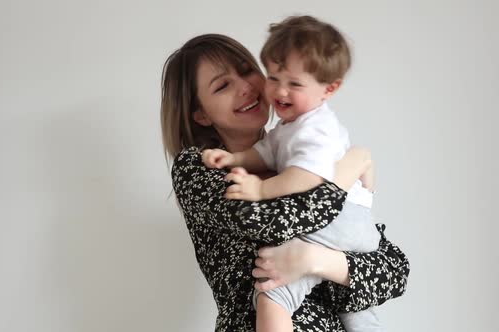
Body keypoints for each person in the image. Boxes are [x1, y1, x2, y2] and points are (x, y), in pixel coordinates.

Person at [160, 33, 409, 332]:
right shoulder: (197, 167)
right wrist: (347, 170)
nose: (246, 87)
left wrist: (315, 260)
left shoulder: (297, 154)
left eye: (247, 70)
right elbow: (272, 222)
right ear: (200, 114)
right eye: (223, 85)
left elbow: (394, 271)